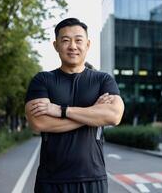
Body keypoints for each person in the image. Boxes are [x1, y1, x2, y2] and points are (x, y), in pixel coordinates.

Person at [25, 18, 124, 193]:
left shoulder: (103, 80)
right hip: (51, 181)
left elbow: (114, 116)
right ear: (56, 45)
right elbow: (39, 123)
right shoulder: (42, 80)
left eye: (78, 40)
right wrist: (93, 114)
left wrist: (61, 110)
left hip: (93, 178)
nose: (72, 46)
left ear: (87, 44)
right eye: (65, 40)